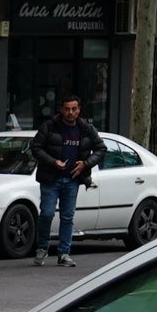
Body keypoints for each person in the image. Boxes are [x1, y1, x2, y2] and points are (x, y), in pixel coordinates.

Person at [31, 93, 101, 266]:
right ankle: (42, 248)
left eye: (74, 109)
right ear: (61, 110)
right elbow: (35, 147)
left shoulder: (86, 128)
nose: (70, 112)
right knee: (46, 214)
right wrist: (53, 162)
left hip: (72, 179)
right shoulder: (49, 126)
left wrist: (85, 164)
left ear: (79, 110)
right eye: (67, 109)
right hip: (51, 178)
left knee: (67, 217)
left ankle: (64, 253)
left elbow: (101, 148)